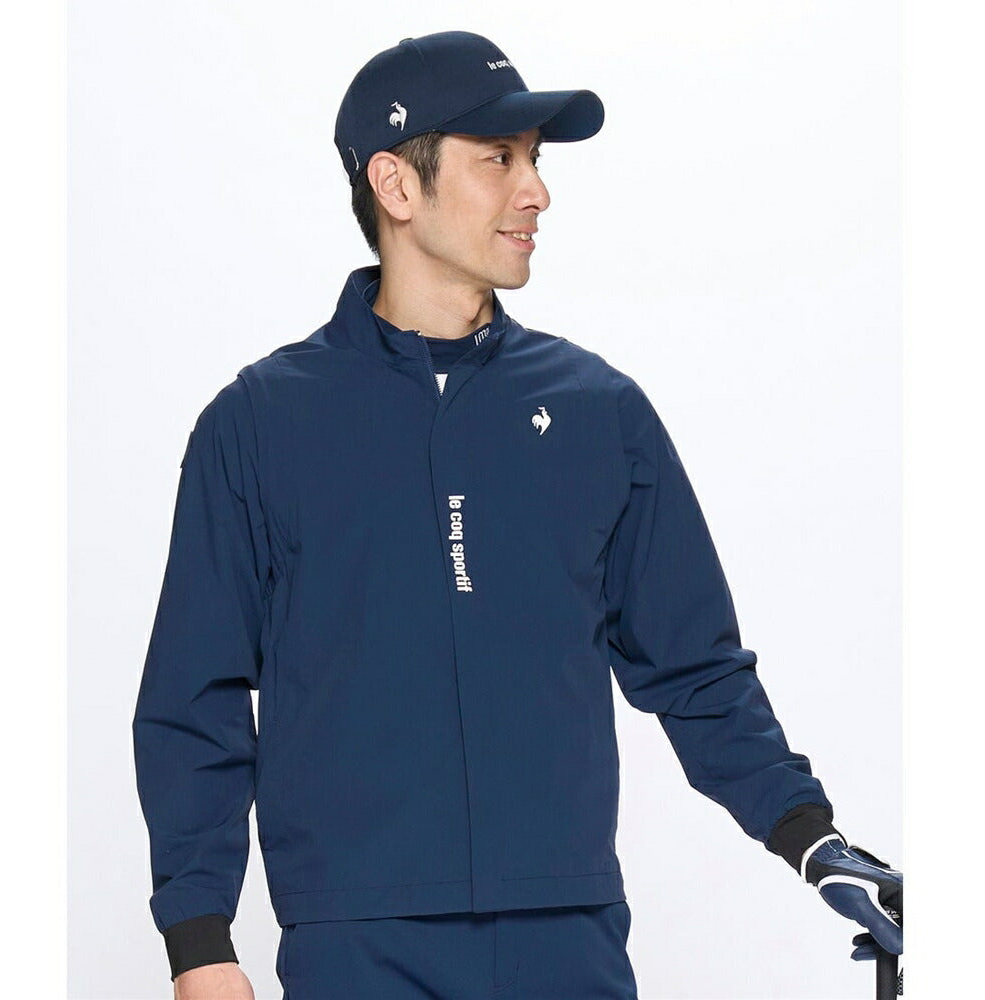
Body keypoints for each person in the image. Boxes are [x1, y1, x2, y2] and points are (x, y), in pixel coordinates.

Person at [132, 30, 903, 1000]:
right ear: (395, 184)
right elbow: (194, 696)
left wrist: (811, 838)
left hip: (567, 936)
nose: (535, 191)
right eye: (498, 158)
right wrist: (199, 940)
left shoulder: (598, 411)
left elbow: (694, 665)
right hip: (356, 941)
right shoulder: (258, 425)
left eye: (535, 160)